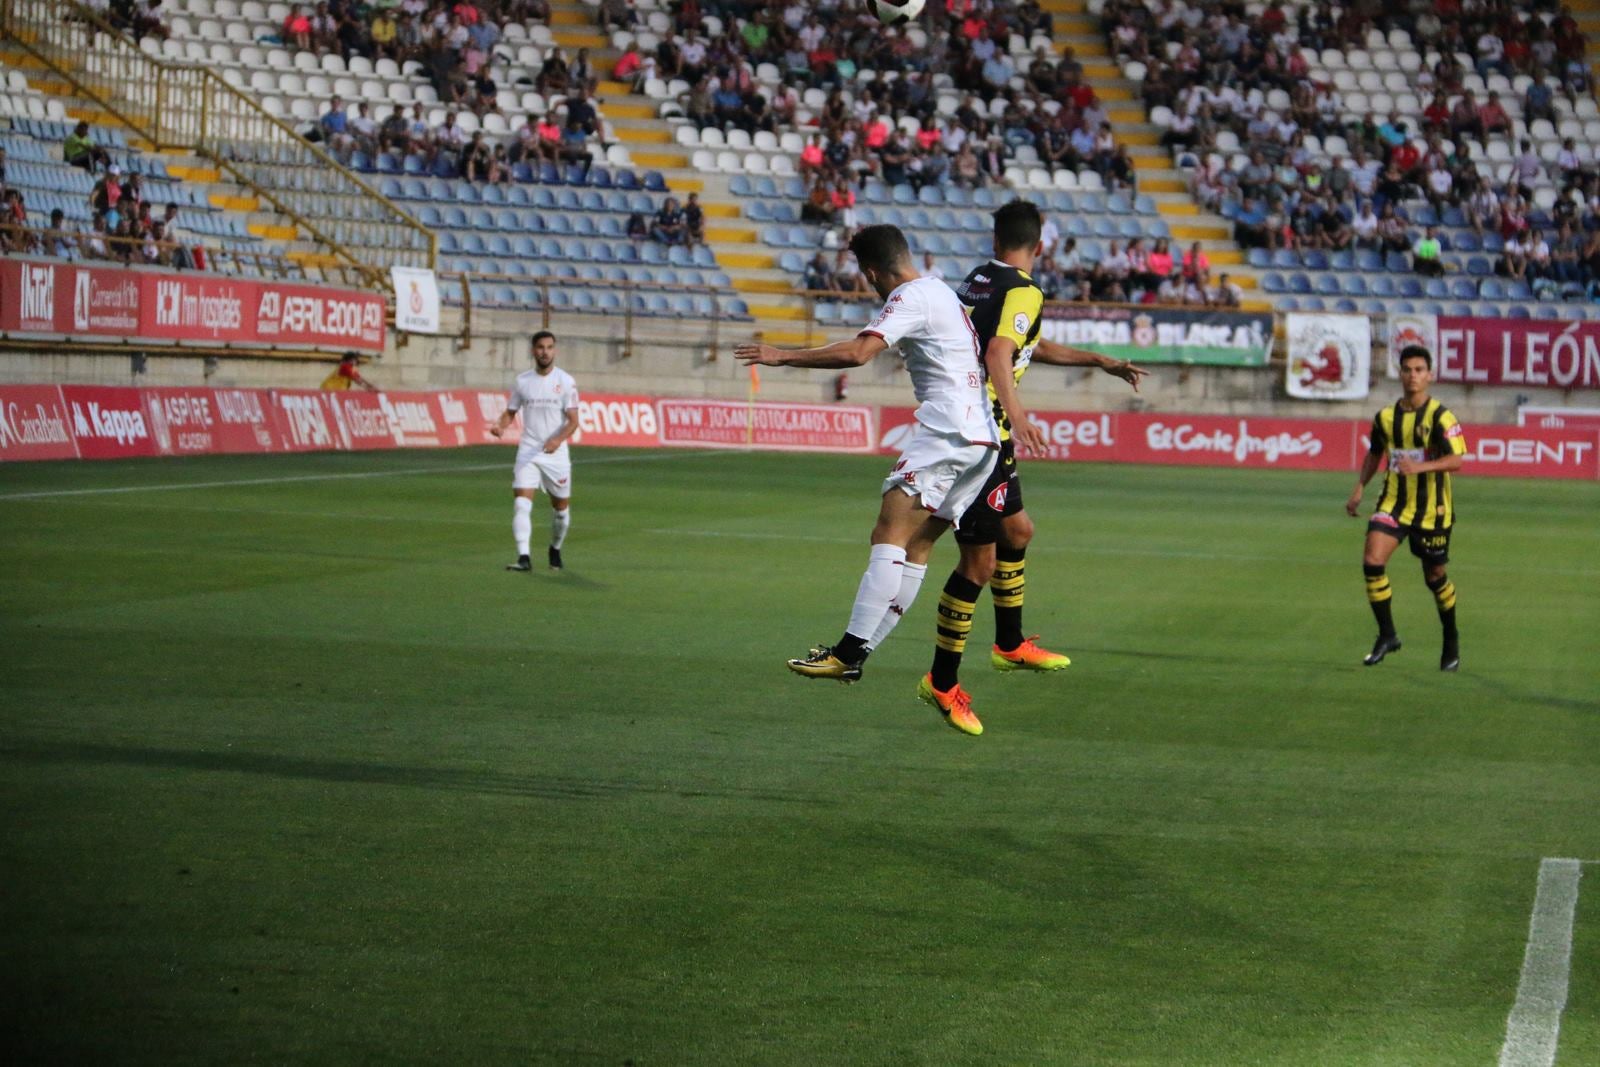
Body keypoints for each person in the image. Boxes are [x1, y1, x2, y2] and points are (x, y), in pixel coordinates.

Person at [733, 224, 1013, 736]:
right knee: (918, 547)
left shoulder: (909, 295)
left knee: (889, 533)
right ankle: (859, 652)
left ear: (869, 272)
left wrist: (782, 356)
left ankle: (846, 652)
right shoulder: (941, 292)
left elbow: (861, 352)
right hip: (982, 442)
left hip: (948, 433)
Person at [937, 200, 1149, 703]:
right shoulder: (1026, 290)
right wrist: (1020, 415)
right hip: (983, 430)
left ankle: (1009, 642)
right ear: (1041, 246)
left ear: (995, 243)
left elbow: (1024, 342)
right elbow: (998, 354)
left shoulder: (980, 279)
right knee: (978, 565)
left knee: (1019, 529)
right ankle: (943, 679)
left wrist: (1098, 360)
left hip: (974, 420)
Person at [1345, 345, 1468, 671]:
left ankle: (1451, 638)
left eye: (1418, 370)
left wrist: (1422, 467)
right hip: (1393, 503)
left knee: (1435, 577)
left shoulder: (1442, 416)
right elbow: (1375, 453)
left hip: (1433, 512)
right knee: (1372, 559)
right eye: (1407, 369)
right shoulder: (1385, 418)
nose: (1412, 375)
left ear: (1429, 375)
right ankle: (1387, 634)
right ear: (1400, 374)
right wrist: (1360, 487)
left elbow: (1457, 460)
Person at [490, 331, 579, 573]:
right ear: (533, 350)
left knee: (561, 511)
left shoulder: (566, 382)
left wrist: (557, 440)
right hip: (529, 449)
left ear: (555, 350)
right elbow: (511, 411)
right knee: (521, 503)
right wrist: (500, 425)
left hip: (556, 454)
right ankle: (524, 557)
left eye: (549, 347)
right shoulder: (523, 381)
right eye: (540, 347)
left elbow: (573, 421)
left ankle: (555, 548)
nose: (545, 352)